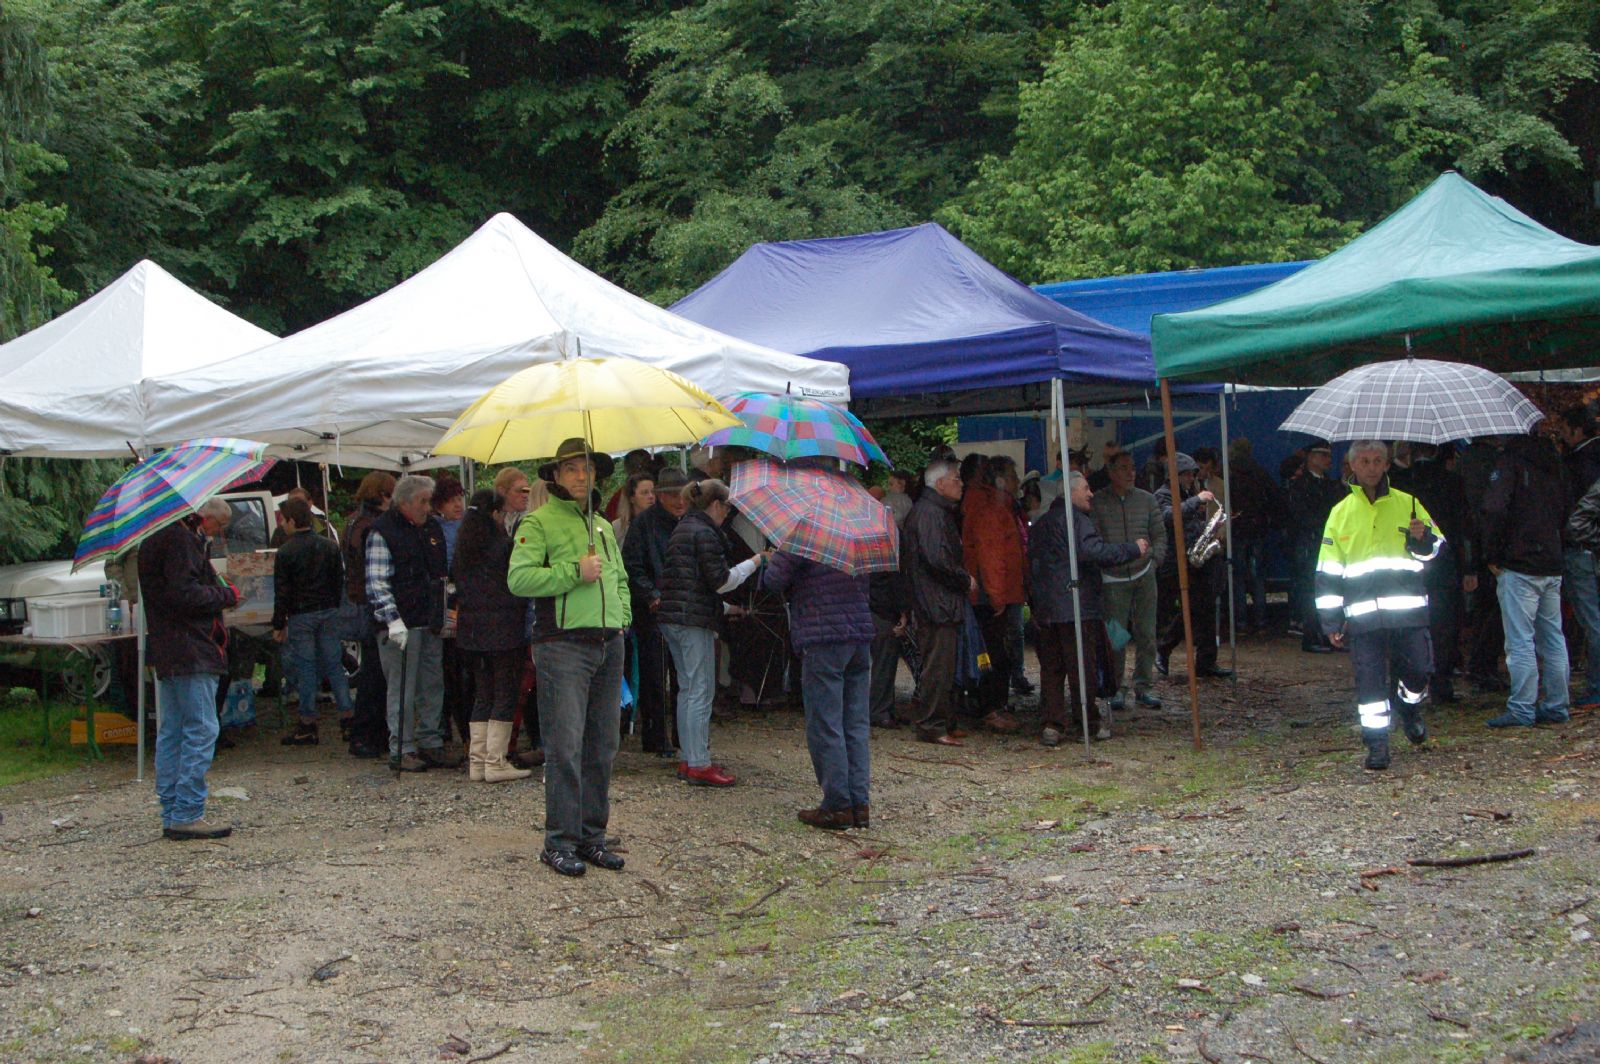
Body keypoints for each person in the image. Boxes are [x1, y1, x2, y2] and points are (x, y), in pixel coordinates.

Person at [508, 438, 631, 877]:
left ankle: (592, 837)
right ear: (557, 476)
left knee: (602, 746)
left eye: (588, 468)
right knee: (565, 747)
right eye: (572, 469)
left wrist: (622, 617)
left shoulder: (602, 525)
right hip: (562, 645)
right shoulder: (538, 522)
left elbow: (619, 577)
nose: (582, 476)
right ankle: (559, 842)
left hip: (608, 643)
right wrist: (574, 572)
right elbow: (519, 579)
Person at [1315, 440, 1442, 770]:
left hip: (1407, 612)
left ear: (1387, 465)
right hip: (1363, 616)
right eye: (1364, 461)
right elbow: (1328, 571)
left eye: (1377, 461)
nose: (1371, 467)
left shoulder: (1409, 503)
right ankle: (1377, 745)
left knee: (1419, 671)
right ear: (1352, 466)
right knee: (1370, 685)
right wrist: (1330, 621)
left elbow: (1434, 551)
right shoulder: (1340, 513)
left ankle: (1408, 707)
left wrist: (1421, 540)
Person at [140, 499, 239, 840]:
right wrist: (225, 595)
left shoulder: (154, 538)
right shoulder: (180, 540)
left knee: (173, 730)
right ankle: (187, 811)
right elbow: (185, 594)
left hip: (168, 647)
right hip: (191, 647)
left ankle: (172, 810)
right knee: (201, 728)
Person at [657, 477, 765, 786]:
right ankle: (699, 763)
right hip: (694, 622)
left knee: (687, 689)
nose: (728, 513)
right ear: (716, 504)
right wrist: (755, 562)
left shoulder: (683, 527)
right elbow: (721, 581)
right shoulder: (704, 532)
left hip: (674, 617)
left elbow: (690, 583)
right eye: (727, 507)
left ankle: (690, 757)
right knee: (701, 690)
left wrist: (728, 609)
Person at [1032, 473, 1147, 745]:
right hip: (1076, 605)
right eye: (1085, 488)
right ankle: (1087, 721)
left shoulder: (1041, 523)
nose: (1091, 493)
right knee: (1081, 666)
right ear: (1071, 492)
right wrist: (1133, 549)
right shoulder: (1078, 521)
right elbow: (1094, 552)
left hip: (1047, 607)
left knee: (1051, 668)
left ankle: (1052, 723)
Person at [763, 550, 874, 830]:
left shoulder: (806, 535)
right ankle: (859, 804)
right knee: (855, 724)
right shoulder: (857, 535)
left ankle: (838, 805)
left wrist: (774, 559)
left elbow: (773, 580)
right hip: (859, 633)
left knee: (826, 723)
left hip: (822, 634)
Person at [1479, 430, 1571, 728]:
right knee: (1553, 637)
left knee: (1520, 639)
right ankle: (1557, 703)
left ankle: (1522, 708)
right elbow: (1566, 507)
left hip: (1519, 562)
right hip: (1551, 559)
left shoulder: (1508, 463)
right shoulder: (1553, 463)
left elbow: (1493, 508)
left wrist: (1492, 553)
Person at [366, 474, 457, 773]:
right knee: (402, 688)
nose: (427, 508)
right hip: (401, 622)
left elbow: (441, 575)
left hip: (429, 620)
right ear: (404, 502)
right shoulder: (382, 531)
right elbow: (377, 582)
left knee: (432, 684)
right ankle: (401, 748)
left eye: (429, 501)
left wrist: (444, 610)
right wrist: (392, 619)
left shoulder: (431, 528)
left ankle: (430, 741)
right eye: (422, 501)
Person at [452, 489, 532, 784]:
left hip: (471, 630)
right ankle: (496, 761)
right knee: (505, 692)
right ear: (496, 514)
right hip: (504, 627)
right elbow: (517, 583)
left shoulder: (463, 547)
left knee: (483, 692)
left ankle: (478, 761)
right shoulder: (503, 546)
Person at [1389, 443, 1474, 703]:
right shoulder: (1452, 482)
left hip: (1406, 566)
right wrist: (1468, 567)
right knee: (1444, 627)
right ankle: (1441, 683)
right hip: (1445, 564)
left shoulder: (1399, 483)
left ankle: (1406, 682)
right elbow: (1463, 526)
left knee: (1407, 625)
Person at [271, 497, 352, 746]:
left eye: (283, 520)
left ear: (292, 521)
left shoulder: (285, 552)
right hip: (328, 611)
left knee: (305, 669)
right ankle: (348, 718)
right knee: (334, 665)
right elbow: (339, 581)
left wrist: (278, 623)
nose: (281, 524)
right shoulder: (329, 547)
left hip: (301, 614)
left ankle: (308, 723)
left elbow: (282, 592)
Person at [904, 459, 973, 745]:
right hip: (936, 602)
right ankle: (932, 724)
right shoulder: (930, 513)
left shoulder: (935, 511)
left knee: (945, 665)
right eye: (956, 479)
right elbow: (936, 559)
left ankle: (943, 719)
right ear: (940, 483)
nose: (961, 484)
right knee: (937, 666)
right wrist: (964, 579)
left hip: (938, 600)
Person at [1091, 450, 1166, 712]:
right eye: (1123, 468)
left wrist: (1154, 560)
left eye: (1132, 467)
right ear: (1111, 471)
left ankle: (1144, 685)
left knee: (1147, 633)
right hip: (1113, 577)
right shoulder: (1098, 502)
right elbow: (1094, 539)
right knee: (1116, 636)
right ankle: (1117, 686)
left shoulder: (1146, 499)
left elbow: (1159, 534)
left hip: (1144, 574)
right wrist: (1105, 562)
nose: (1130, 472)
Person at [623, 468, 688, 756]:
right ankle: (655, 736)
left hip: (683, 607)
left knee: (684, 676)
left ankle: (683, 735)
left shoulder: (689, 521)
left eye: (683, 495)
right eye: (673, 495)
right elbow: (632, 565)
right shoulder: (643, 525)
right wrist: (651, 594)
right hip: (653, 610)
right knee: (654, 675)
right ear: (661, 496)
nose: (679, 501)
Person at [960, 455, 1025, 733]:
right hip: (991, 595)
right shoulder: (989, 507)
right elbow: (991, 554)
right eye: (1012, 476)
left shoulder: (992, 504)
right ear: (999, 480)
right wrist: (998, 595)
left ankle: (990, 704)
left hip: (993, 592)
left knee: (991, 651)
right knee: (994, 653)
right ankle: (991, 707)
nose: (1017, 481)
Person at [1155, 454, 1231, 679]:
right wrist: (1196, 500)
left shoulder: (1187, 493)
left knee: (1204, 609)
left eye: (1192, 474)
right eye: (1187, 474)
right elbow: (1169, 517)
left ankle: (1206, 661)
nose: (1191, 478)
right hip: (1176, 562)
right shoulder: (1163, 495)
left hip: (1196, 560)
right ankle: (1165, 647)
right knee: (1191, 609)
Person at [342, 471, 395, 758]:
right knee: (374, 675)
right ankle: (365, 735)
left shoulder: (355, 521)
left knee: (372, 673)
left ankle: (369, 733)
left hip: (360, 601)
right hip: (369, 604)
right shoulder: (370, 526)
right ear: (384, 494)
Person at [1554, 406, 1600, 709]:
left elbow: (1576, 521)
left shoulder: (1579, 464)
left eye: (1563, 427)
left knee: (1592, 621)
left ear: (1577, 429)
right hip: (1588, 549)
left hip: (1582, 551)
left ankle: (1597, 685)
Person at [1284, 440, 1347, 652]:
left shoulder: (1330, 485)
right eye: (1322, 455)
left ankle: (1330, 634)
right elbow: (1300, 516)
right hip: (1310, 543)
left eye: (1328, 455)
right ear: (1310, 457)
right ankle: (1312, 636)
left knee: (1330, 590)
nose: (1328, 460)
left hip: (1327, 543)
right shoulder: (1299, 485)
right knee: (1311, 591)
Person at [1225, 438, 1283, 632]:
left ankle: (1240, 621)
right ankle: (1261, 620)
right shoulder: (1259, 472)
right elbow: (1274, 496)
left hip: (1237, 528)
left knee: (1238, 577)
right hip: (1257, 528)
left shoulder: (1229, 473)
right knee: (1258, 577)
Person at [611, 472, 655, 545]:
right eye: (644, 493)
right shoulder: (618, 527)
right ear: (632, 498)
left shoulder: (662, 523)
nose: (651, 496)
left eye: (653, 492)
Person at [494, 466, 534, 535]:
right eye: (519, 490)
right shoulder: (494, 516)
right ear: (502, 491)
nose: (525, 495)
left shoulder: (530, 518)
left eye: (527, 490)